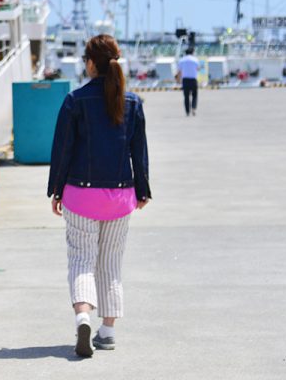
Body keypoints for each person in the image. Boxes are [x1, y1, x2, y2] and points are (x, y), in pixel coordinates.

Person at [47, 34, 151, 358]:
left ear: (91, 64)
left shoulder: (75, 101)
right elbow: (139, 152)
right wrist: (143, 190)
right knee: (110, 264)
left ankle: (82, 318)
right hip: (120, 199)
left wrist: (56, 190)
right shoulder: (132, 103)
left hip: (81, 197)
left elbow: (63, 149)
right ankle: (106, 331)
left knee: (81, 261)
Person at [176, 49, 200, 116]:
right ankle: (193, 108)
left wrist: (178, 80)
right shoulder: (195, 60)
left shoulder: (182, 60)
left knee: (186, 96)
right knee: (194, 95)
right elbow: (198, 69)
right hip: (193, 79)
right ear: (192, 53)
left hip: (185, 80)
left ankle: (187, 111)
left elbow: (179, 71)